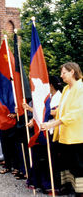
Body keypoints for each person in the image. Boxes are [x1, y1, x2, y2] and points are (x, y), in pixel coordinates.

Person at [41, 62, 83, 196]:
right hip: (65, 134)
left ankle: (80, 191)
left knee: (78, 165)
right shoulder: (66, 89)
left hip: (76, 135)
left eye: (63, 72)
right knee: (67, 163)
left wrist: (53, 124)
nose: (61, 75)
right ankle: (69, 187)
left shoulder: (80, 88)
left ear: (72, 72)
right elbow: (62, 109)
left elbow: (75, 113)